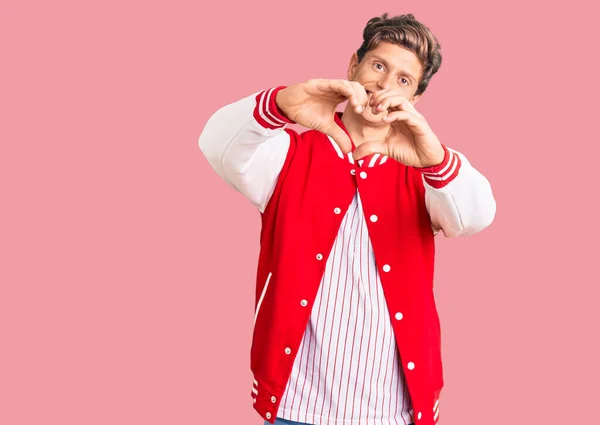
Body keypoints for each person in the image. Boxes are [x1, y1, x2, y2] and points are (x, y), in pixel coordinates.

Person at [198, 12, 496, 425]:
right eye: (378, 66)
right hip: (295, 403)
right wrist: (282, 103)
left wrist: (436, 159)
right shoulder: (289, 153)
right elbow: (217, 143)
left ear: (415, 100)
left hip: (391, 409)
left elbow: (476, 216)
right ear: (353, 65)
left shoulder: (428, 172)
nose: (385, 85)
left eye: (404, 80)